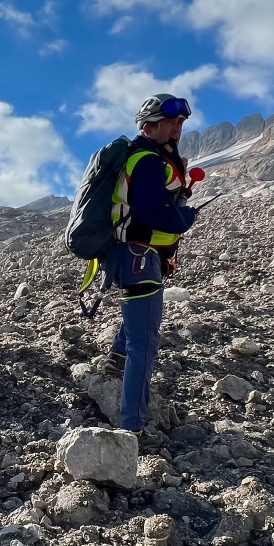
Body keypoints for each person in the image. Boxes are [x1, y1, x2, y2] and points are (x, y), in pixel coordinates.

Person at [100, 94, 199, 432]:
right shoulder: (146, 161)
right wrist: (185, 218)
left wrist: (166, 251)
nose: (177, 128)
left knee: (137, 325)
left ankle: (115, 358)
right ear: (148, 126)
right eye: (170, 122)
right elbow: (152, 214)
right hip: (138, 258)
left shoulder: (151, 158)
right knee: (145, 343)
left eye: (181, 123)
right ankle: (131, 428)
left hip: (140, 256)